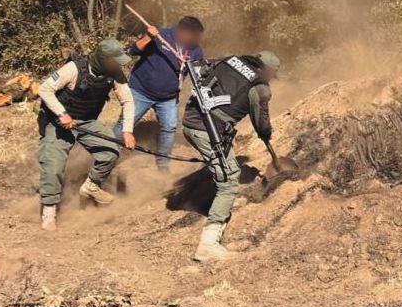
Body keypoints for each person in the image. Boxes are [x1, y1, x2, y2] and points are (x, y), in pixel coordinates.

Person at [182, 51, 280, 262]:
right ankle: (207, 245)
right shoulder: (260, 87)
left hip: (191, 120)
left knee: (228, 167)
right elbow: (261, 122)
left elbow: (202, 71)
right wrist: (266, 134)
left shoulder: (230, 60)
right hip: (206, 129)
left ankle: (221, 204)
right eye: (273, 75)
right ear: (269, 70)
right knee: (229, 182)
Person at [37, 39, 136, 230]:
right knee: (54, 164)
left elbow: (128, 101)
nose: (118, 65)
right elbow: (45, 89)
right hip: (57, 121)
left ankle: (91, 186)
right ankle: (48, 212)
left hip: (86, 121)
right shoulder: (73, 68)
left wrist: (128, 131)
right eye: (114, 61)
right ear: (102, 59)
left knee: (110, 152)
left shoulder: (114, 73)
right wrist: (62, 113)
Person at [114, 16, 204, 172]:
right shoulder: (161, 36)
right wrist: (148, 37)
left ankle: (163, 164)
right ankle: (108, 153)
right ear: (181, 31)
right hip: (140, 91)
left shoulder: (195, 50)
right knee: (125, 124)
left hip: (168, 98)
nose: (194, 39)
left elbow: (198, 73)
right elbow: (133, 51)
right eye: (192, 35)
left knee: (169, 128)